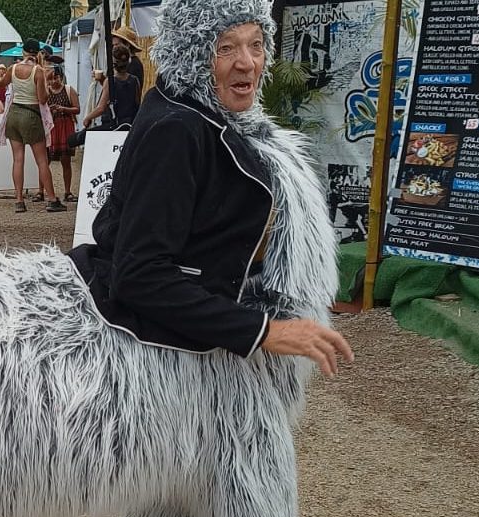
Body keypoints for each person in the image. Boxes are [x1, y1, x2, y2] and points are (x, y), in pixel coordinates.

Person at [68, 0, 353, 376]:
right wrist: (262, 330)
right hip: (162, 360)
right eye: (226, 47)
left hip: (199, 340)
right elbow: (139, 275)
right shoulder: (177, 129)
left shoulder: (219, 115)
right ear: (192, 55)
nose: (247, 62)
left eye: (256, 43)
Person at [0, 38, 66, 213]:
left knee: (18, 159)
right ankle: (52, 199)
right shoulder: (39, 71)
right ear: (37, 53)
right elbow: (42, 99)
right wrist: (47, 85)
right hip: (31, 115)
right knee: (42, 161)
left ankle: (19, 200)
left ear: (24, 52)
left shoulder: (13, 68)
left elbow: (0, 83)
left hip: (14, 114)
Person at [82, 44, 142, 128]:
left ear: (112, 63)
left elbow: (101, 108)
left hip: (114, 126)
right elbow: (137, 104)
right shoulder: (135, 80)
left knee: (76, 138)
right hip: (131, 124)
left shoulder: (110, 81)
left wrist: (88, 117)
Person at [46, 66, 79, 202]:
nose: (54, 81)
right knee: (45, 160)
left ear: (61, 77)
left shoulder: (68, 90)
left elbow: (77, 109)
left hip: (65, 125)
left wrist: (63, 108)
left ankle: (67, 191)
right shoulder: (46, 91)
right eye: (52, 78)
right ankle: (42, 191)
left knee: (66, 160)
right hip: (51, 127)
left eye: (56, 77)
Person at [112, 24, 145, 96]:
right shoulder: (126, 63)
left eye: (117, 45)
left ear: (127, 45)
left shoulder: (134, 64)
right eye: (113, 45)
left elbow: (124, 91)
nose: (114, 48)